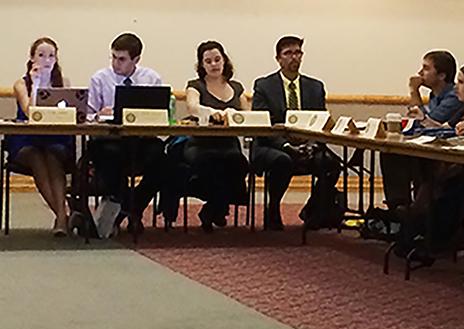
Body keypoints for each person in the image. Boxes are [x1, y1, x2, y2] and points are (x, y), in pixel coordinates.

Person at [251, 35, 341, 230]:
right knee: (282, 161)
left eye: (298, 52)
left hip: (308, 144)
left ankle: (313, 210)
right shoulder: (264, 86)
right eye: (288, 53)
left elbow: (320, 122)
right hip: (273, 145)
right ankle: (272, 207)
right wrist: (286, 146)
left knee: (332, 165)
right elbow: (262, 125)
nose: (294, 57)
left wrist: (312, 144)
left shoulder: (315, 87)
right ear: (278, 58)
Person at [162, 41, 249, 233]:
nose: (214, 64)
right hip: (200, 144)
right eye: (208, 61)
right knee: (210, 163)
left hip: (229, 144)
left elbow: (247, 115)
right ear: (202, 65)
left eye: (217, 59)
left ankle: (212, 209)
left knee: (238, 163)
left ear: (225, 61)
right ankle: (217, 208)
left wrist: (231, 114)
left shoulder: (237, 87)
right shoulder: (195, 86)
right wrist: (214, 112)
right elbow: (193, 107)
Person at [87, 32, 166, 234]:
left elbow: (160, 115)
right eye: (113, 57)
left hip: (141, 139)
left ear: (136, 60)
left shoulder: (151, 78)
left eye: (121, 59)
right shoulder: (100, 78)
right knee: (109, 155)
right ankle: (124, 207)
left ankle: (130, 208)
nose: (115, 63)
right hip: (109, 139)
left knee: (162, 158)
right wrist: (99, 114)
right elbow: (87, 115)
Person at [380, 51, 464, 212]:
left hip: (443, 156)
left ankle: (409, 212)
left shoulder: (454, 96)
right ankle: (398, 208)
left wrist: (414, 91)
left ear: (441, 75)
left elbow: (428, 124)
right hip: (429, 149)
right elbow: (419, 119)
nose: (420, 73)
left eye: (426, 68)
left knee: (404, 159)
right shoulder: (435, 95)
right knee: (390, 153)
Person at [6, 37, 73, 236]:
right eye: (41, 55)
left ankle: (61, 217)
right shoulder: (21, 83)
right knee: (36, 157)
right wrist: (35, 84)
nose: (46, 60)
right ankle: (63, 216)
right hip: (27, 139)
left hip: (54, 137)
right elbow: (30, 111)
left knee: (53, 157)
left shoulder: (63, 82)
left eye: (51, 56)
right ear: (32, 58)